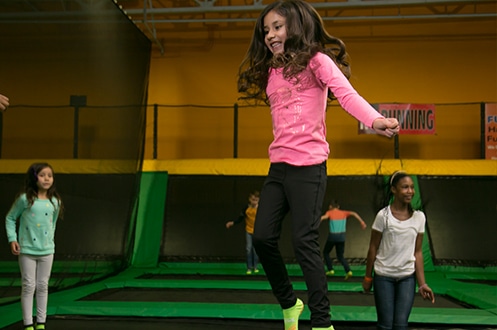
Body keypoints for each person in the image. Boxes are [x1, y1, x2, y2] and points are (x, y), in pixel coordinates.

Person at [237, 1, 400, 329]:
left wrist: (375, 120)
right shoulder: (272, 71)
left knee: (303, 241)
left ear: (295, 26)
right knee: (262, 237)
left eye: (277, 27)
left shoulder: (317, 61)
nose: (270, 35)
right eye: (265, 30)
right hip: (278, 167)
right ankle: (290, 302)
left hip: (309, 167)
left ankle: (323, 321)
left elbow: (346, 94)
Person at [362, 171, 435, 330]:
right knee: (385, 325)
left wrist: (422, 284)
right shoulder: (384, 216)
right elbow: (373, 247)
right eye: (405, 187)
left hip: (407, 278)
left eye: (412, 187)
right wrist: (368, 277)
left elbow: (418, 252)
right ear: (394, 190)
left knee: (401, 325)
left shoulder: (419, 217)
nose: (410, 191)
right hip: (383, 277)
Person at [5, 163, 64, 330]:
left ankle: (41, 322)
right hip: (27, 250)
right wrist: (13, 239)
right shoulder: (25, 199)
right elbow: (10, 218)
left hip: (47, 251)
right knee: (28, 285)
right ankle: (28, 323)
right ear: (34, 177)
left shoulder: (55, 201)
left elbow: (52, 224)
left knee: (43, 285)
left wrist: (49, 242)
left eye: (50, 175)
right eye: (42, 175)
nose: (46, 178)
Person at [320, 199, 366, 279]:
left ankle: (330, 269)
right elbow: (354, 213)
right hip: (341, 237)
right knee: (340, 256)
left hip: (333, 236)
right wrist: (362, 222)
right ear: (338, 207)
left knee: (326, 252)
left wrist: (314, 224)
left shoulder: (329, 212)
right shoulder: (344, 213)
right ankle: (348, 271)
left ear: (330, 206)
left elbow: (323, 218)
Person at [225, 190, 260, 274]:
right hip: (249, 230)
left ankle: (255, 266)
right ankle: (249, 267)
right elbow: (240, 218)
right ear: (249, 199)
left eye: (256, 200)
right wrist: (232, 223)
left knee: (255, 250)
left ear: (258, 200)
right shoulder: (246, 208)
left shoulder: (260, 208)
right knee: (248, 248)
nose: (254, 201)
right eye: (252, 199)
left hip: (257, 231)